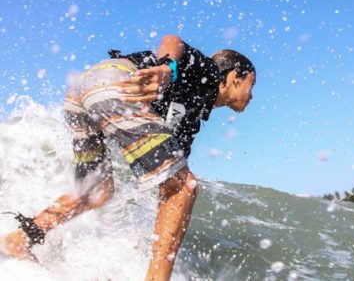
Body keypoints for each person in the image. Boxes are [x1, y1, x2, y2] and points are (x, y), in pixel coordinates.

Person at [0, 35, 256, 280]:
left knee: (96, 191)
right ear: (234, 77)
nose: (252, 95)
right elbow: (173, 41)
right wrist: (167, 70)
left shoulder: (192, 113)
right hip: (118, 82)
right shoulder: (209, 72)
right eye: (251, 85)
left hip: (82, 92)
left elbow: (170, 175)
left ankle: (20, 239)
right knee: (185, 187)